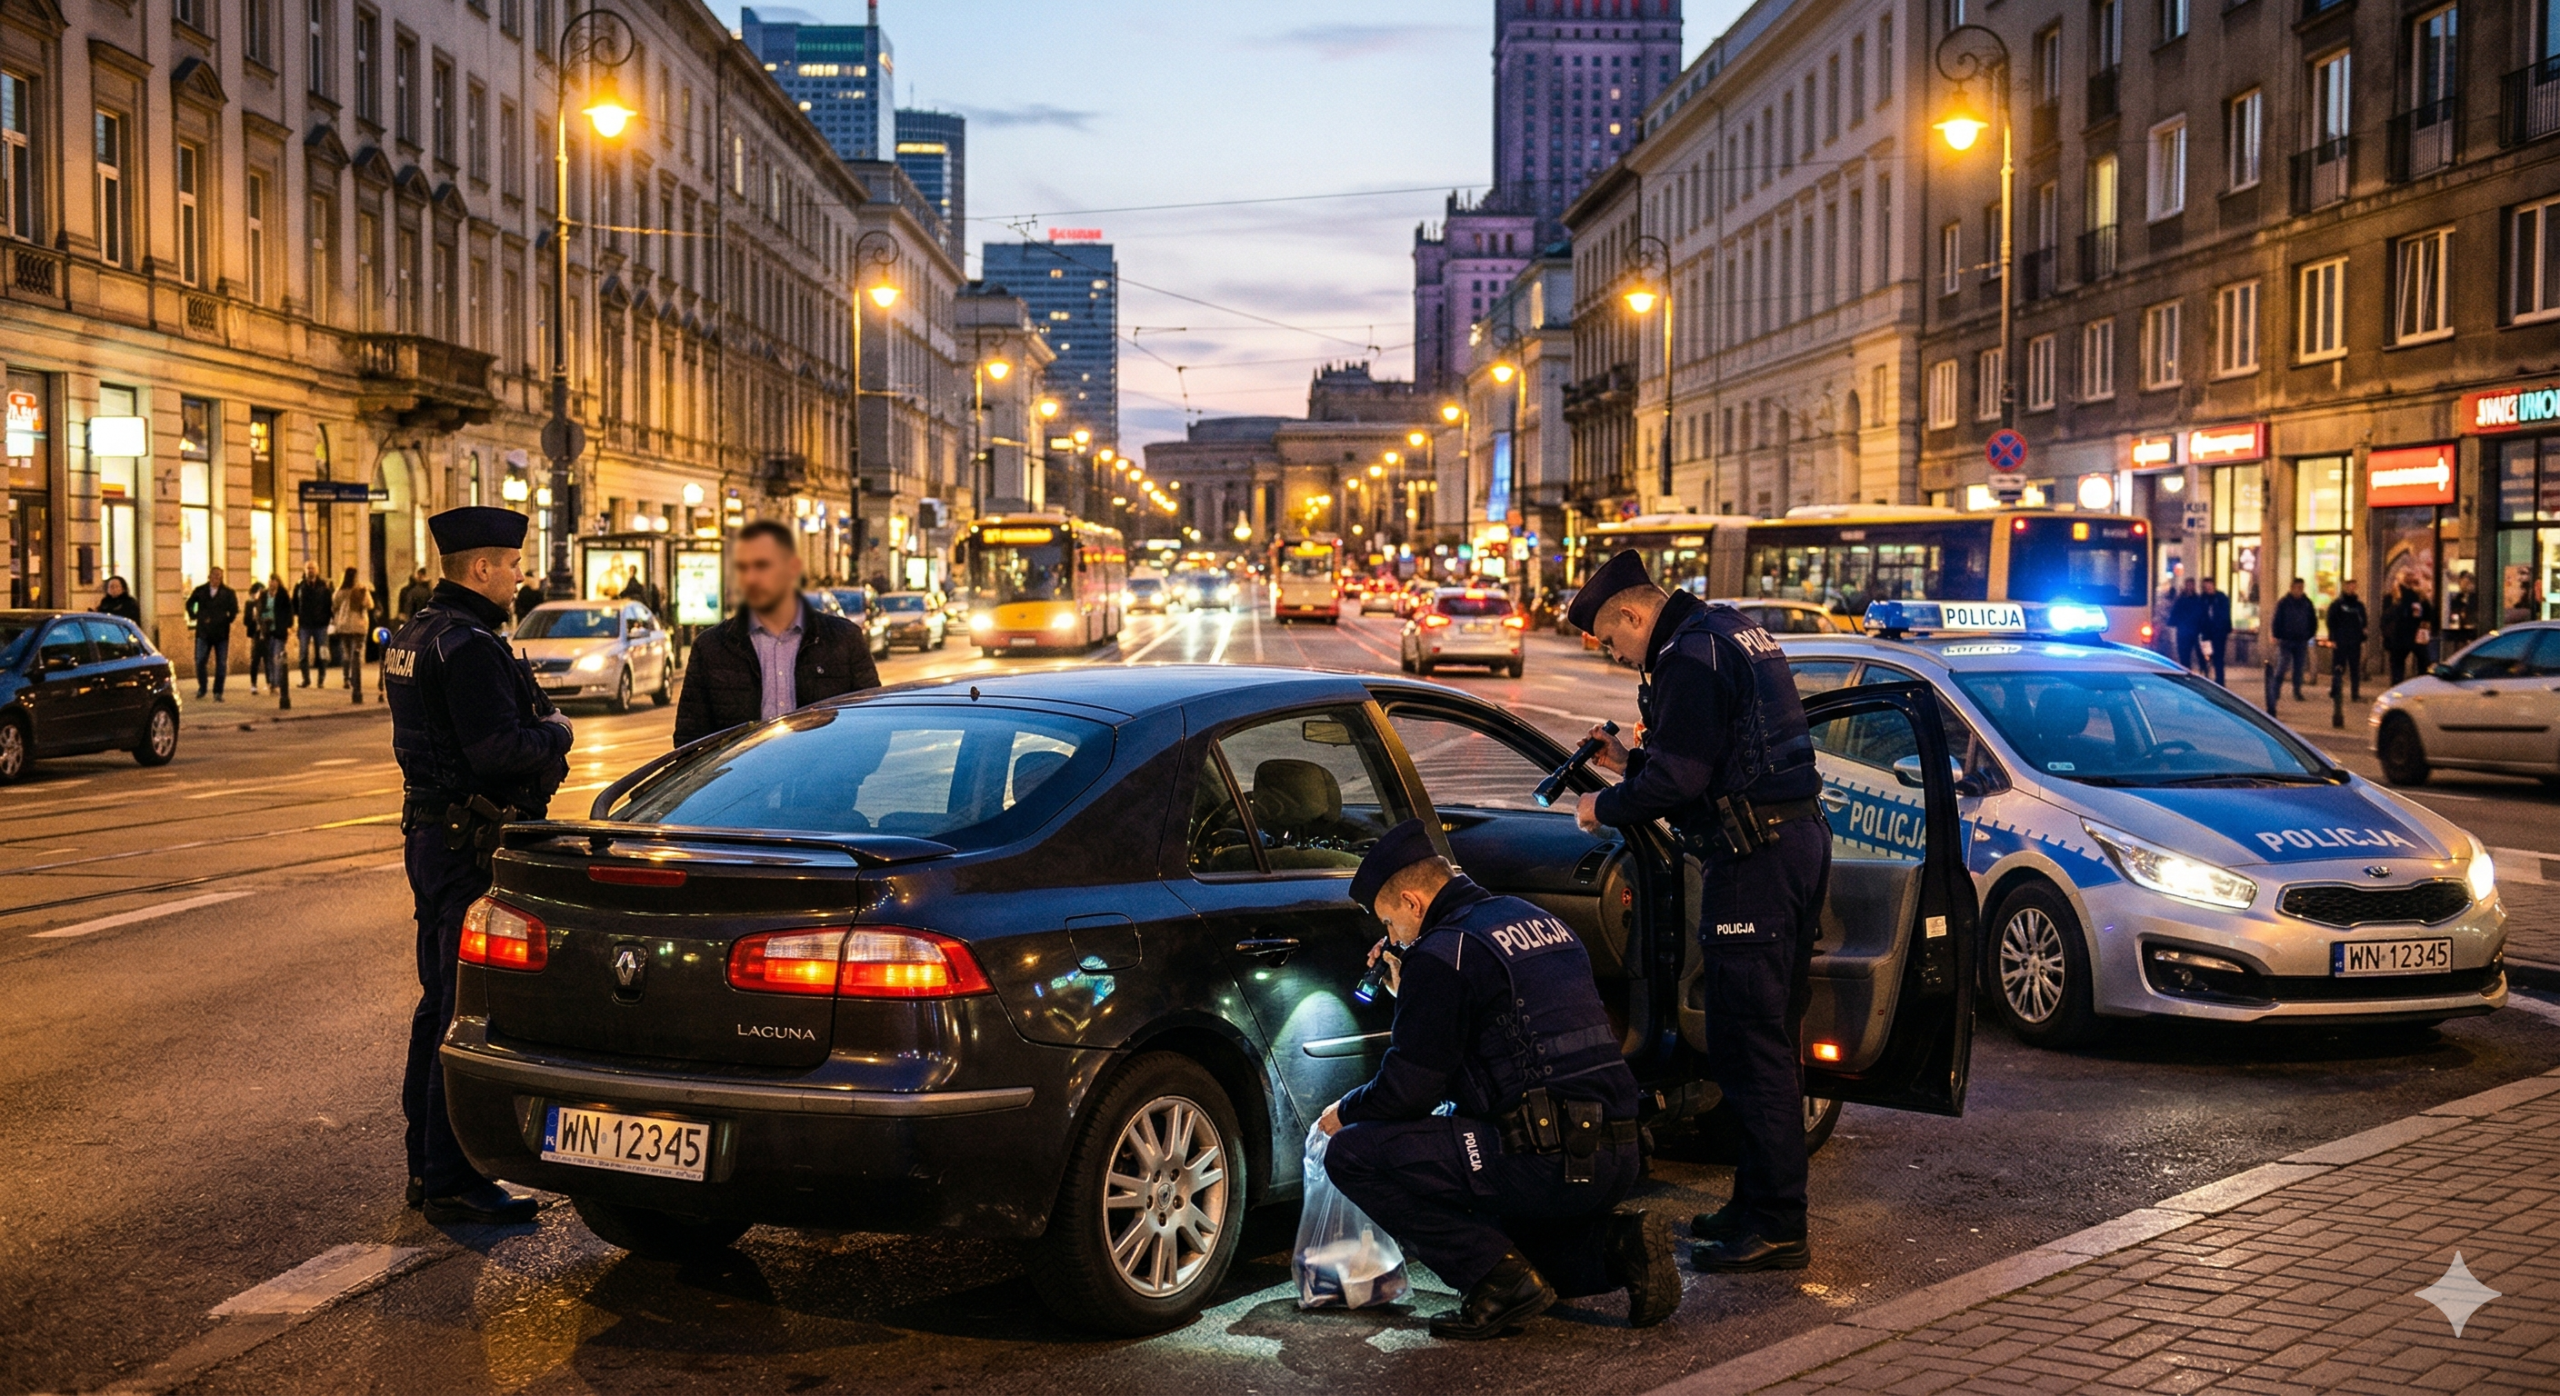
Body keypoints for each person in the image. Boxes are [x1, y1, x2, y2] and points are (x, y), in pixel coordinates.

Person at [1566, 550, 1829, 1273]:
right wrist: (1626, 762)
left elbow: (1681, 780)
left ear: (1630, 613)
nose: (1618, 656)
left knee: (1752, 1044)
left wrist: (1604, 804)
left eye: (1613, 642)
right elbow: (1716, 757)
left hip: (1754, 862)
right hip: (1791, 843)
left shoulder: (1685, 656)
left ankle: (1777, 1223)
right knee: (1766, 1035)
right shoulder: (1728, 630)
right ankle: (1755, 1204)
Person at [1317, 820, 1678, 1340]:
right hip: (1618, 1148)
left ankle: (1497, 1283)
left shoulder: (1442, 954)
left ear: (1415, 903)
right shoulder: (1536, 920)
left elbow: (1408, 1092)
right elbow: (1504, 1035)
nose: (1392, 937)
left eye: (1391, 923)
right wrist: (1412, 995)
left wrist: (1344, 1112)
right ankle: (1619, 1248)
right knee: (1500, 1241)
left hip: (1542, 1158)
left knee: (1354, 1153)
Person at [385, 506, 574, 1225]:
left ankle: (425, 1166)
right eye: (515, 564)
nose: (521, 575)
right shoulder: (469, 646)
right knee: (464, 1008)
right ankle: (451, 1176)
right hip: (471, 841)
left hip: (432, 834)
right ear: (483, 569)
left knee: (437, 1000)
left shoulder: (415, 636)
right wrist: (554, 732)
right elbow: (498, 750)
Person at [672, 519, 881, 746]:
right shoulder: (713, 647)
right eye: (743, 568)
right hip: (744, 780)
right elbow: (689, 742)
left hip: (822, 779)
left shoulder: (842, 639)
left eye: (762, 566)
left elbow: (873, 727)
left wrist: (842, 776)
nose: (751, 578)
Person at [185, 566, 241, 702]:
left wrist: (226, 620)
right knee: (199, 661)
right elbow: (189, 603)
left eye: (219, 577)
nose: (216, 579)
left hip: (221, 633)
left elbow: (234, 610)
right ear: (209, 576)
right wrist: (195, 615)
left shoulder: (228, 593)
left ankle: (218, 691)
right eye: (214, 576)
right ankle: (202, 687)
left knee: (221, 663)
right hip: (203, 632)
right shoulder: (201, 590)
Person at [2272, 578, 2317, 703]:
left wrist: (2309, 634)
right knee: (2282, 666)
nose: (2299, 590)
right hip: (2286, 640)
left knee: (2299, 668)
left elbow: (2313, 620)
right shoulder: (2284, 603)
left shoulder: (2307, 603)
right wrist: (2277, 635)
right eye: (2297, 588)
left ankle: (2297, 691)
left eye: (2301, 588)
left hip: (2301, 640)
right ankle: (2275, 691)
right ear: (2292, 588)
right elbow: (2277, 620)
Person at [332, 567, 372, 703]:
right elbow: (369, 604)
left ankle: (346, 678)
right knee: (357, 653)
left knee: (347, 654)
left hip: (344, 625)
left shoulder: (340, 591)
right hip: (359, 625)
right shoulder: (360, 590)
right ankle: (356, 680)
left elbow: (334, 605)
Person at [2327, 579, 2369, 701]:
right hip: (2341, 640)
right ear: (2345, 587)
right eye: (2349, 586)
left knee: (2354, 668)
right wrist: (2333, 639)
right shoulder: (2338, 604)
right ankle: (2335, 690)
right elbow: (2331, 621)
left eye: (2354, 586)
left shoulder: (2358, 605)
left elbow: (2364, 621)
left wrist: (2363, 635)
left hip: (2354, 642)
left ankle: (2355, 694)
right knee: (2339, 666)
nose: (2352, 589)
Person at [2382, 575, 2429, 684]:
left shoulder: (2414, 600)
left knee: (2401, 664)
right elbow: (2386, 619)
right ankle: (2416, 683)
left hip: (2408, 635)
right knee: (2403, 663)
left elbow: (2386, 618)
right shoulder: (2394, 600)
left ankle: (2400, 684)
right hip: (2404, 636)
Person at [294, 564, 336, 686]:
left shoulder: (324, 586)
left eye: (312, 568)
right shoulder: (300, 585)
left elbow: (329, 603)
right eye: (308, 568)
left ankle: (321, 679)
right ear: (305, 570)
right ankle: (305, 679)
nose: (310, 571)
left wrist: (329, 619)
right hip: (305, 625)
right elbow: (295, 603)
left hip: (321, 624)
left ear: (317, 571)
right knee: (303, 654)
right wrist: (298, 617)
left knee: (322, 653)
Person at [2198, 577, 2233, 686]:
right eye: (2205, 587)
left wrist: (2223, 628)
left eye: (2209, 586)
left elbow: (2225, 614)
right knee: (2207, 656)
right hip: (2206, 633)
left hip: (2219, 633)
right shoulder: (2203, 599)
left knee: (2218, 657)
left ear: (2213, 586)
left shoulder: (2221, 598)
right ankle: (2207, 677)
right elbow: (2200, 614)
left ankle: (2220, 681)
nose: (2207, 589)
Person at [264, 574, 295, 691]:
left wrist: (287, 625)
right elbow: (261, 610)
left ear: (278, 582)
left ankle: (276, 683)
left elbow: (289, 611)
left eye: (274, 581)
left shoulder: (283, 595)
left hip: (279, 630)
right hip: (267, 630)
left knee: (277, 657)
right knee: (269, 658)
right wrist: (264, 617)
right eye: (270, 581)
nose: (272, 583)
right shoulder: (264, 595)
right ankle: (271, 681)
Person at [244, 581, 273, 696]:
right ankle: (253, 684)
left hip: (266, 634)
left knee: (268, 660)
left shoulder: (267, 603)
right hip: (256, 634)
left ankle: (270, 682)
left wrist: (265, 618)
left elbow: (270, 617)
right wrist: (253, 618)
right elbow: (246, 621)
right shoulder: (250, 604)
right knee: (255, 660)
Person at [2168, 578, 2202, 673]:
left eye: (2191, 585)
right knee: (2184, 655)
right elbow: (2175, 613)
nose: (2189, 587)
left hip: (2194, 631)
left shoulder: (2197, 600)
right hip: (2183, 631)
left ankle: (2200, 670)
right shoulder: (2181, 599)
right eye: (2188, 585)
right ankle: (2186, 671)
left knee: (2198, 654)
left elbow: (2201, 614)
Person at [2443, 570, 2479, 652]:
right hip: (2459, 629)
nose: (2464, 585)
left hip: (2472, 629)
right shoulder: (2457, 598)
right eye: (2462, 582)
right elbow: (2453, 610)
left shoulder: (2475, 597)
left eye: (2467, 582)